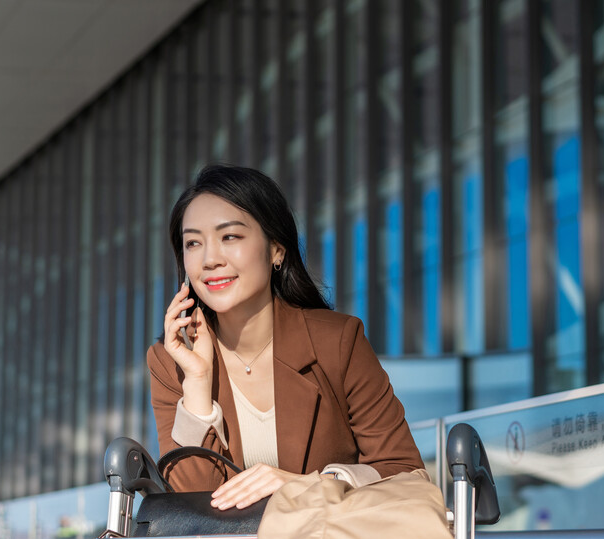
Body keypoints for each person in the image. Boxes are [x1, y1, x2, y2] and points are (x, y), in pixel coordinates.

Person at [147, 165, 424, 510]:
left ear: (276, 250)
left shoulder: (337, 342)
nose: (209, 259)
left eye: (229, 237)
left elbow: (406, 475)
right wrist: (198, 383)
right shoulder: (170, 359)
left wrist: (309, 485)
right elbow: (190, 506)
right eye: (193, 243)